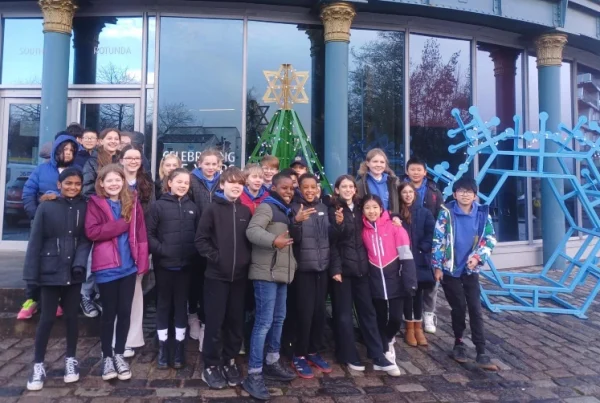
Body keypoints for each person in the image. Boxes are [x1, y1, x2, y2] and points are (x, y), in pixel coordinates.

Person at [23, 168, 92, 391]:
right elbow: (35, 241)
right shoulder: (46, 207)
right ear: (59, 184)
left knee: (72, 317)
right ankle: (38, 364)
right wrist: (31, 277)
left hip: (73, 272)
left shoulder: (84, 206)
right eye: (68, 183)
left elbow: (85, 239)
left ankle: (71, 359)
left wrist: (80, 264)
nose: (73, 187)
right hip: (50, 270)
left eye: (77, 184)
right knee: (47, 318)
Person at [328, 175, 400, 376]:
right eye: (343, 186)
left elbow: (377, 219)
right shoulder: (333, 209)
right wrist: (335, 269)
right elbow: (331, 242)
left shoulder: (360, 209)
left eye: (351, 186)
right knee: (343, 315)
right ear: (337, 189)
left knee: (368, 313)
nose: (348, 190)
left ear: (355, 189)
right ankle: (348, 354)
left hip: (362, 269)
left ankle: (377, 354)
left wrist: (395, 218)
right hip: (342, 270)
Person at [84, 164, 149, 381]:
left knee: (124, 312)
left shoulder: (132, 202)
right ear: (101, 183)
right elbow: (92, 231)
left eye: (117, 180)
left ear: (123, 182)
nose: (114, 184)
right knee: (109, 313)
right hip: (107, 267)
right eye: (109, 180)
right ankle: (107, 356)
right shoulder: (95, 203)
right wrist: (121, 225)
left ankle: (119, 353)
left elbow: (141, 234)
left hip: (128, 267)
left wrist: (141, 262)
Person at [432, 177, 498, 371]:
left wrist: (477, 257)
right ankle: (459, 343)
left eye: (469, 191)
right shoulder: (446, 213)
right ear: (455, 194)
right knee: (459, 306)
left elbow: (490, 239)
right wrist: (437, 267)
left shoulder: (482, 214)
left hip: (470, 269)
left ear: (475, 195)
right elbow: (438, 240)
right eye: (461, 191)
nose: (465, 195)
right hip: (450, 269)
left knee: (475, 308)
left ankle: (481, 350)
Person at [242, 172, 297, 401]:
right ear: (273, 188)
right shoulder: (267, 206)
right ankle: (254, 373)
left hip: (282, 273)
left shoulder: (286, 211)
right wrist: (274, 241)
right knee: (264, 322)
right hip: (266, 273)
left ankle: (272, 360)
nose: (289, 191)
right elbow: (252, 231)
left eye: (291, 188)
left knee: (278, 319)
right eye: (284, 188)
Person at [195, 167, 252, 389]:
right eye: (232, 182)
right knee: (215, 322)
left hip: (239, 278)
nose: (236, 186)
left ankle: (229, 360)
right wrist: (217, 258)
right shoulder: (212, 209)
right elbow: (201, 240)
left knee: (235, 322)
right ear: (222, 185)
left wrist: (245, 261)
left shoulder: (245, 211)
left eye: (240, 183)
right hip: (217, 276)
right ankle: (211, 364)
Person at [18, 133, 80, 320]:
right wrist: (36, 214)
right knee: (36, 258)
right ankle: (31, 298)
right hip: (43, 222)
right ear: (56, 151)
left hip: (66, 225)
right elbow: (28, 193)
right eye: (65, 149)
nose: (68, 153)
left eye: (72, 150)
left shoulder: (78, 170)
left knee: (61, 260)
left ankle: (55, 301)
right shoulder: (42, 170)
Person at [147, 168, 199, 370]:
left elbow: (197, 234)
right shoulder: (158, 206)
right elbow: (149, 234)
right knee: (163, 306)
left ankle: (179, 347)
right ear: (169, 183)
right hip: (164, 266)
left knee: (180, 306)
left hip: (185, 266)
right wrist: (162, 251)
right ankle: (163, 348)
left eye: (186, 182)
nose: (183, 185)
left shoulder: (192, 207)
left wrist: (192, 252)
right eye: (179, 181)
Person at [361, 194, 417, 364]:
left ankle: (388, 338)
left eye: (375, 207)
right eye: (367, 208)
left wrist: (410, 281)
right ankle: (384, 347)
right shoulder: (362, 230)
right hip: (375, 280)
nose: (371, 211)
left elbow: (406, 255)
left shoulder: (395, 227)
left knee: (395, 318)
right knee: (379, 317)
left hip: (395, 279)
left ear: (381, 209)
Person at [287, 174, 331, 378]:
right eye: (306, 187)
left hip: (322, 268)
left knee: (319, 313)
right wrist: (296, 222)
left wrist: (338, 225)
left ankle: (313, 351)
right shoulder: (293, 208)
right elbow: (292, 239)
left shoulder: (323, 207)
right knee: (303, 314)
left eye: (313, 187)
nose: (310, 191)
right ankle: (299, 354)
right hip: (303, 269)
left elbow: (330, 237)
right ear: (300, 188)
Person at [116, 144, 155, 357]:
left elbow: (152, 214)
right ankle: (115, 337)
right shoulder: (113, 180)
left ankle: (132, 338)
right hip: (116, 243)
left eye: (137, 158)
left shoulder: (147, 184)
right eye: (129, 157)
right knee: (116, 293)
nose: (133, 161)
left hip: (139, 242)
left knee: (136, 292)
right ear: (121, 159)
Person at [80, 128, 121, 318]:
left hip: (117, 213)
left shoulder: (121, 160)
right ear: (101, 141)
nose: (113, 141)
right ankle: (85, 295)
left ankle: (98, 295)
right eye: (109, 138)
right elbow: (87, 189)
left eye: (116, 138)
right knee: (91, 257)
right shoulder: (92, 161)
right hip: (97, 213)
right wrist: (105, 203)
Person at [188, 148, 223, 350]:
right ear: (199, 164)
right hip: (195, 237)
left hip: (216, 239)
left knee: (209, 285)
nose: (210, 167)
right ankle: (193, 315)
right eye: (207, 164)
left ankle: (205, 323)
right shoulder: (192, 180)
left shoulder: (223, 181)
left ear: (219, 165)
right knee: (195, 281)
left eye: (214, 164)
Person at [404, 157, 443, 334]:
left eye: (419, 169)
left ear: (425, 172)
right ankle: (409, 316)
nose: (416, 172)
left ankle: (428, 314)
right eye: (412, 169)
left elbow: (440, 217)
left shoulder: (433, 190)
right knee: (408, 280)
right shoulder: (399, 187)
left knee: (430, 281)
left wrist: (429, 243)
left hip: (427, 240)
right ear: (407, 171)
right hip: (407, 240)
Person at [397, 182, 435, 347]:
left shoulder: (424, 212)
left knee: (418, 294)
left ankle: (418, 327)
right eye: (404, 192)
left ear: (415, 194)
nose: (407, 195)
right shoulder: (397, 214)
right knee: (407, 293)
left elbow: (431, 233)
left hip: (419, 258)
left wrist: (422, 248)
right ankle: (409, 328)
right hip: (403, 258)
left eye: (410, 192)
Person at [356, 148, 400, 214]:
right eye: (375, 161)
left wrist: (396, 216)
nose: (378, 165)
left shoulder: (393, 182)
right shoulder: (361, 184)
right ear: (367, 163)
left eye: (382, 162)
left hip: (389, 219)